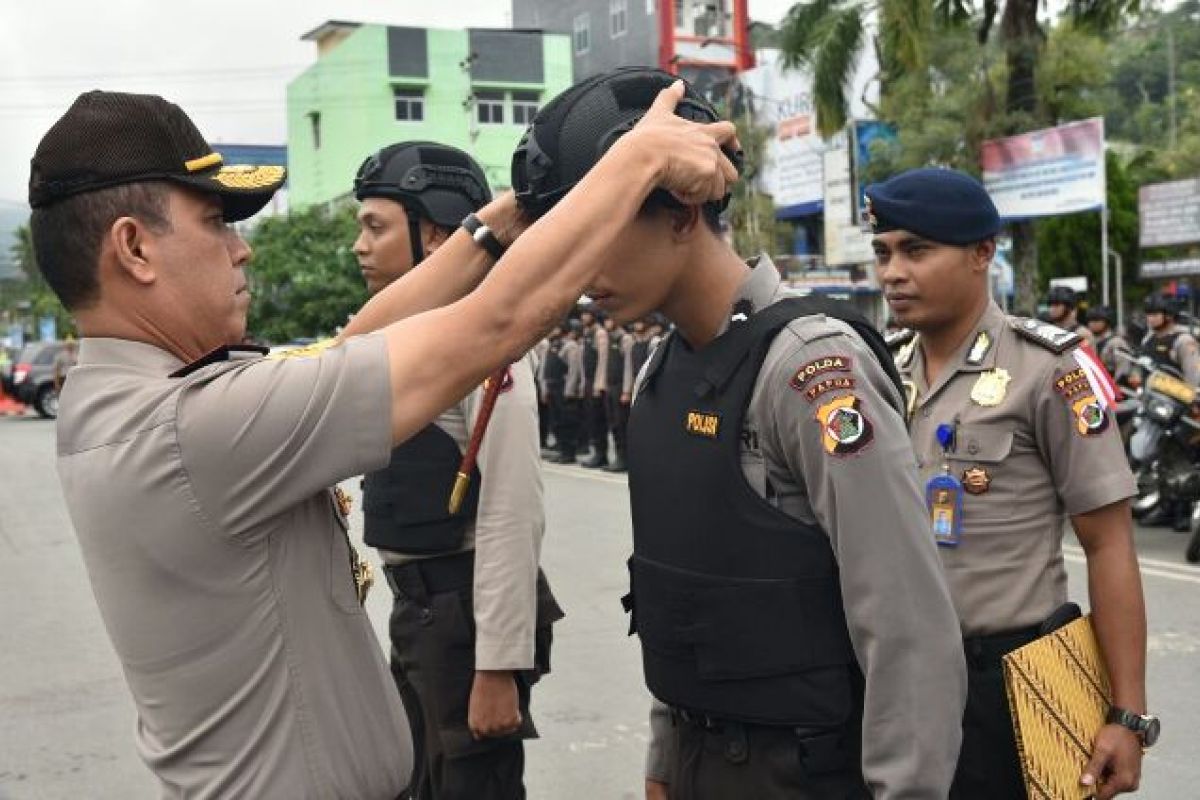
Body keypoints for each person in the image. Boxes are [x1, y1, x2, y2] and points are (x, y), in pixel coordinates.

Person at [33, 86, 736, 798]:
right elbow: (497, 322)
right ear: (134, 248)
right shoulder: (191, 428)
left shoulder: (125, 403)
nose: (241, 251)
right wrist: (636, 159)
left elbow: (352, 345)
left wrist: (498, 225)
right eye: (216, 222)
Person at [512, 66, 966, 799]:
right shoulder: (667, 366)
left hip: (803, 771)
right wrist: (664, 761)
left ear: (684, 212)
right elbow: (685, 590)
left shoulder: (812, 369)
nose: (576, 263)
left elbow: (908, 628)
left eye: (599, 225)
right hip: (701, 761)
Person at [869, 167, 1154, 800]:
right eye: (883, 253)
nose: (892, 271)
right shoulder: (880, 371)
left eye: (916, 250)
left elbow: (1109, 545)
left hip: (1008, 683)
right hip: (894, 676)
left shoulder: (1048, 369)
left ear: (982, 254)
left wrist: (1127, 714)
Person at [351, 141, 564, 799]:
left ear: (438, 232)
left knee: (473, 784)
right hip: (417, 610)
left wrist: (498, 666)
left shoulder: (485, 342)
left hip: (463, 617)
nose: (359, 246)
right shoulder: (397, 338)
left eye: (375, 227)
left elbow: (509, 511)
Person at [1136, 293, 1200, 387]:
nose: (1150, 318)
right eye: (1148, 314)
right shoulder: (1147, 340)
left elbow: (1193, 378)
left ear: (1169, 315)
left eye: (1155, 314)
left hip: (1175, 399)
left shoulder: (1183, 341)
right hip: (1149, 397)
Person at [578, 306, 610, 467]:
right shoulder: (587, 333)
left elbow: (603, 360)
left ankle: (601, 454)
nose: (583, 317)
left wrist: (599, 384)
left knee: (598, 419)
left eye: (587, 314)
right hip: (588, 382)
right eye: (583, 314)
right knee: (590, 417)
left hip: (596, 382)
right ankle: (595, 451)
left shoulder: (600, 333)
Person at [601, 315, 631, 472]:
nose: (607, 323)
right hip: (610, 386)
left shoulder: (624, 339)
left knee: (621, 423)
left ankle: (624, 458)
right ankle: (617, 457)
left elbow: (628, 366)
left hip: (620, 387)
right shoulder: (610, 338)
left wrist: (626, 390)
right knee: (612, 422)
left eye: (609, 319)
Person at [1087, 305, 1134, 386]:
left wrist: (1113, 387)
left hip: (1111, 388)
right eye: (1090, 320)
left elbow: (1123, 369)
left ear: (1106, 321)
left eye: (1096, 320)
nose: (1092, 324)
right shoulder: (1089, 341)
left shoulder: (1116, 342)